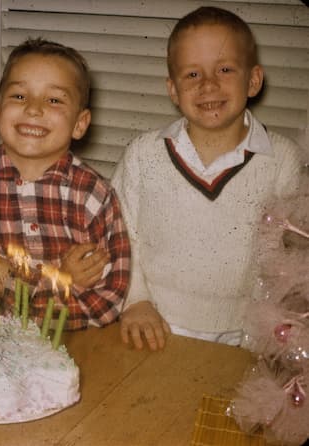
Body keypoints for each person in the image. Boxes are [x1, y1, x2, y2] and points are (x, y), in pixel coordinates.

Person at [111, 6, 305, 351]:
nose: (208, 85)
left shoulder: (282, 159)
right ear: (173, 89)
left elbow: (288, 256)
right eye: (192, 75)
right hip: (155, 325)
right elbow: (119, 236)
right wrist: (135, 301)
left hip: (247, 335)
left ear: (254, 80)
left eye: (225, 69)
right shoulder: (143, 154)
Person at [0, 38, 131, 330]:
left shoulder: (95, 195)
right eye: (18, 96)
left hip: (73, 342)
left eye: (54, 100)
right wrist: (60, 280)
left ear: (80, 123)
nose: (33, 109)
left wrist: (6, 280)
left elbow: (106, 300)